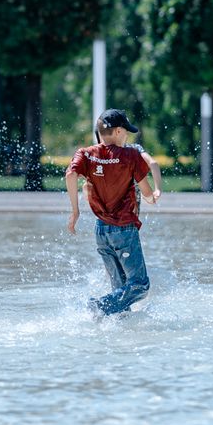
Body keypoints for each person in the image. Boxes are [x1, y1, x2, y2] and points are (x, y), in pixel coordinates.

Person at [65, 109, 159, 317]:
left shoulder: (85, 153)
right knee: (139, 286)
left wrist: (75, 211)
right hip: (123, 229)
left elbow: (71, 175)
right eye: (126, 132)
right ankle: (99, 306)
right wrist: (153, 197)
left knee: (119, 289)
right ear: (117, 131)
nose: (127, 137)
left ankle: (116, 333)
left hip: (101, 232)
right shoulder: (130, 155)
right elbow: (146, 193)